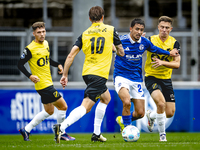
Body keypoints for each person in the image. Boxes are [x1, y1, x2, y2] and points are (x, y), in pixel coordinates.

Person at [53, 6, 124, 143]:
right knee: (85, 106)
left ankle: (96, 134)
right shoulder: (110, 30)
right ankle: (61, 127)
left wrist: (65, 75)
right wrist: (116, 49)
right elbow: (121, 52)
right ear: (103, 17)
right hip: (99, 74)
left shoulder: (85, 34)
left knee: (106, 98)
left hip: (87, 73)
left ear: (90, 19)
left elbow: (70, 56)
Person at [114, 19, 179, 133]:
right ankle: (128, 130)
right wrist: (113, 48)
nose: (139, 32)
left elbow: (156, 49)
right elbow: (111, 46)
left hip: (136, 79)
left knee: (140, 113)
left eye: (141, 30)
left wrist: (169, 53)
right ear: (131, 29)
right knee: (127, 101)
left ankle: (123, 121)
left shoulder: (144, 42)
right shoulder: (121, 40)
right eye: (137, 29)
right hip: (121, 76)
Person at [17, 22, 75, 141]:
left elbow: (47, 59)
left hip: (47, 83)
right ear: (34, 34)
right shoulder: (30, 49)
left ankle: (26, 129)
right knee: (63, 107)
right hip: (43, 85)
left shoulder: (46, 44)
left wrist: (58, 64)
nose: (42, 34)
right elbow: (19, 64)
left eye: (43, 31)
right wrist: (30, 76)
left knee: (49, 111)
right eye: (39, 32)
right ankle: (61, 133)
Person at [144, 16, 181, 141]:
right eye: (162, 27)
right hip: (151, 77)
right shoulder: (150, 40)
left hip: (166, 79)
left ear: (170, 29)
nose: (164, 30)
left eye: (167, 28)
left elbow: (177, 64)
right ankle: (162, 136)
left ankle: (151, 116)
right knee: (160, 103)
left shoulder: (174, 43)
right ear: (158, 28)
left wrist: (162, 62)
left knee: (170, 112)